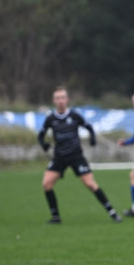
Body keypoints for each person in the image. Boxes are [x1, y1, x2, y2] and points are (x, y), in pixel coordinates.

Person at [38, 86, 121, 224]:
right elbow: (41, 135)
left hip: (76, 156)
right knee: (46, 184)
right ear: (53, 101)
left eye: (63, 98)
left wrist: (92, 138)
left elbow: (89, 127)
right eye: (58, 98)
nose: (60, 101)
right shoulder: (51, 118)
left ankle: (112, 213)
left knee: (90, 184)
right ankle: (55, 216)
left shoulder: (75, 116)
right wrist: (44, 144)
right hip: (59, 157)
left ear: (67, 99)